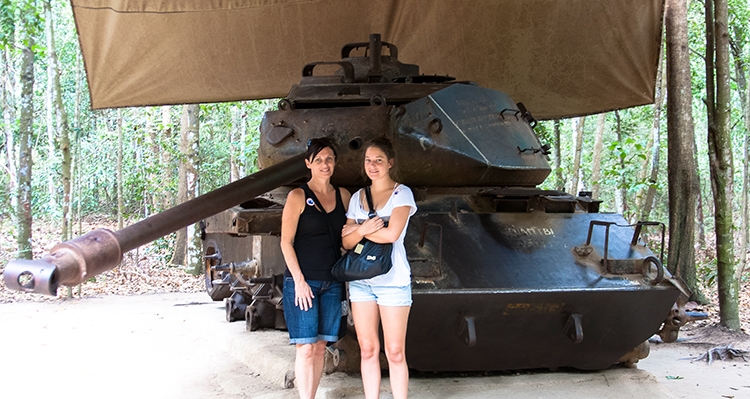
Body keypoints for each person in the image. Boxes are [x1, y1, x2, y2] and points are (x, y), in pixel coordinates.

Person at [341, 137, 417, 399]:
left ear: (390, 163)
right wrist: (365, 229)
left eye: (378, 160)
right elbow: (346, 241)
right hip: (362, 281)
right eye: (368, 160)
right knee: (368, 349)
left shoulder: (402, 193)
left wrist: (358, 230)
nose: (372, 165)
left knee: (395, 352)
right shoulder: (357, 197)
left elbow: (392, 234)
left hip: (393, 282)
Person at [280, 137, 351, 399]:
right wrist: (298, 281)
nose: (324, 164)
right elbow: (286, 242)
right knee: (305, 348)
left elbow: (348, 237)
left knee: (321, 346)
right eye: (318, 160)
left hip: (332, 282)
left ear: (335, 163)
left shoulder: (343, 195)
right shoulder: (298, 196)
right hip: (303, 283)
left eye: (329, 159)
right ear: (308, 163)